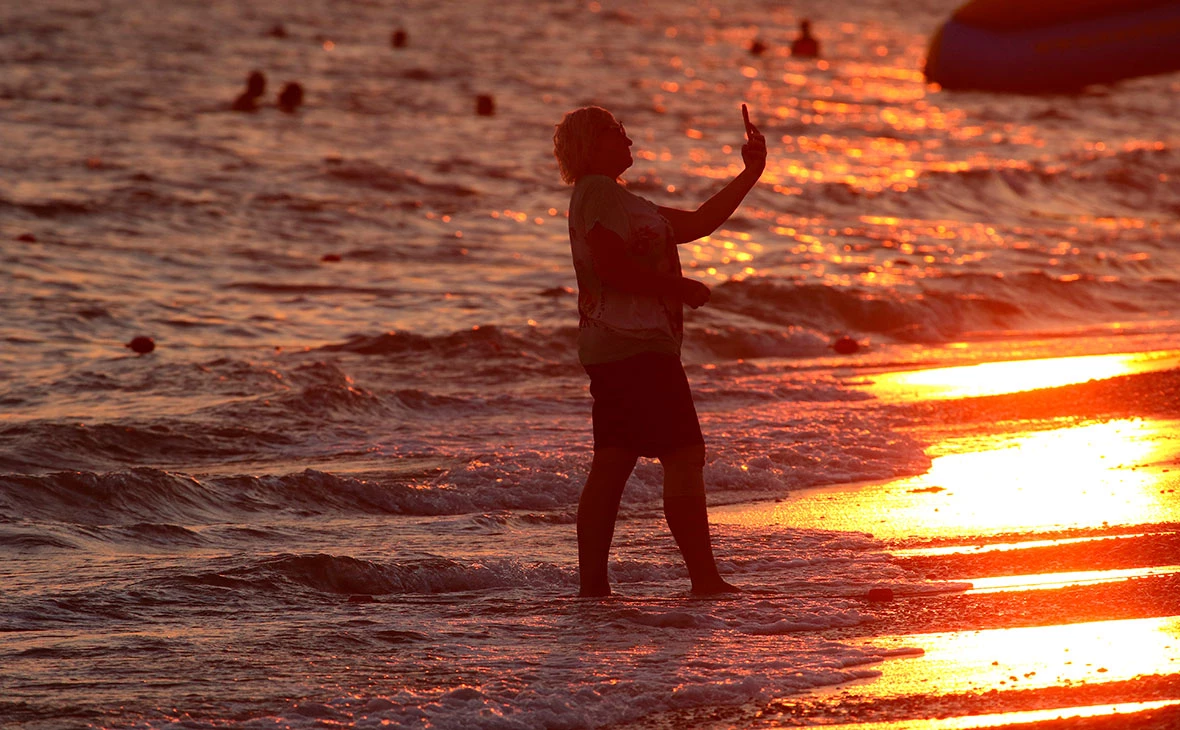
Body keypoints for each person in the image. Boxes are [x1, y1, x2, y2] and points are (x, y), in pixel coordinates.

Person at [552, 104, 767, 597]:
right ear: (592, 143)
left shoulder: (614, 198)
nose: (629, 140)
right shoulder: (599, 193)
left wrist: (750, 173)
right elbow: (610, 268)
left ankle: (594, 589)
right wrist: (678, 288)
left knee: (614, 460)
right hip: (635, 347)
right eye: (617, 132)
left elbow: (698, 223)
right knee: (682, 454)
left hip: (618, 347)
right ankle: (704, 580)